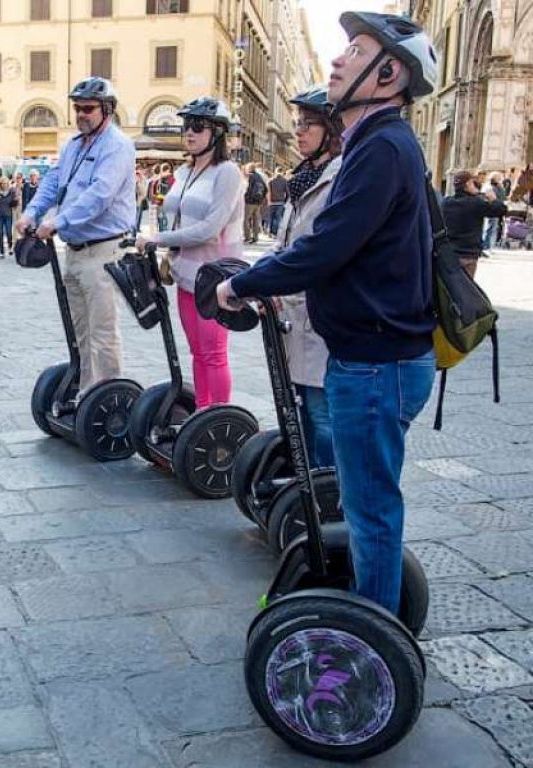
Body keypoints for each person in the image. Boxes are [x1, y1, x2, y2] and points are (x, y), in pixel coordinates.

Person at [216, 11, 439, 615]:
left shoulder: (383, 146)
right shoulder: (379, 144)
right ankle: (373, 611)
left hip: (375, 363)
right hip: (370, 358)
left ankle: (373, 633)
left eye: (356, 50)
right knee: (367, 504)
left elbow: (328, 245)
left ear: (389, 72)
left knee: (370, 509)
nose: (338, 60)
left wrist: (243, 285)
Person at [17, 76, 136, 391]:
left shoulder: (118, 146)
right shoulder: (71, 145)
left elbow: (100, 195)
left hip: (105, 252)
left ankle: (110, 399)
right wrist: (31, 213)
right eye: (77, 108)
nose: (81, 113)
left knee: (103, 333)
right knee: (80, 330)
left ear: (106, 110)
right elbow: (53, 181)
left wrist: (58, 222)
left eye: (88, 108)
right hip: (74, 252)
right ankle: (86, 392)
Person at [134, 97, 243, 408]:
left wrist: (159, 239)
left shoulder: (227, 172)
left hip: (216, 277)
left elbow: (211, 227)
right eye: (186, 126)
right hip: (185, 274)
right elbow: (172, 211)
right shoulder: (184, 171)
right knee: (197, 351)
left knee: (213, 352)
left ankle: (219, 420)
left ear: (218, 133)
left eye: (198, 126)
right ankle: (201, 414)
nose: (189, 133)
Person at [273, 85, 345, 468]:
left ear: (331, 131)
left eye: (309, 125)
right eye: (298, 123)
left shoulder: (338, 180)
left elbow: (315, 250)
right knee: (298, 405)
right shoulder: (301, 180)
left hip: (319, 314)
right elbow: (285, 244)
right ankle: (307, 486)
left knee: (320, 413)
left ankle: (328, 490)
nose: (299, 131)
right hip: (292, 315)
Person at [443, 170, 508, 278]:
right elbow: (501, 210)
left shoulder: (446, 203)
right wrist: (493, 199)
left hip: (449, 253)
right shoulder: (476, 203)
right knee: (466, 289)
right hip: (468, 254)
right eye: (473, 183)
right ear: (468, 184)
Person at [243, 162, 268, 243]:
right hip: (258, 202)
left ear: (249, 169)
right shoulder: (259, 177)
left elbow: (247, 188)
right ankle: (255, 237)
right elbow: (265, 188)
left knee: (245, 219)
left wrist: (246, 196)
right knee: (256, 220)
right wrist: (262, 198)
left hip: (249, 201)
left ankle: (247, 237)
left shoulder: (250, 176)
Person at [0, 176, 16, 259]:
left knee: (9, 233)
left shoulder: (11, 192)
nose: (4, 185)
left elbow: (14, 203)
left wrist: (15, 201)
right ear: (0, 184)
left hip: (8, 215)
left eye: (6, 183)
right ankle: (1, 252)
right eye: (2, 183)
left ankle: (10, 247)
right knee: (0, 233)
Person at [481, 172, 507, 249]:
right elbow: (489, 196)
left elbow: (502, 196)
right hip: (490, 208)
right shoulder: (489, 186)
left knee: (493, 227)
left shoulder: (499, 187)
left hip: (496, 208)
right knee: (489, 227)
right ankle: (485, 245)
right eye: (499, 177)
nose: (500, 179)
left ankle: (489, 245)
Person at [267, 169, 289, 237]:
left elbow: (268, 191)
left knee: (270, 217)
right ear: (282, 172)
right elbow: (287, 192)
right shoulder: (285, 181)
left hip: (271, 201)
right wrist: (285, 201)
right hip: (280, 202)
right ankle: (274, 233)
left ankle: (269, 231)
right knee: (277, 218)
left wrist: (269, 200)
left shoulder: (270, 180)